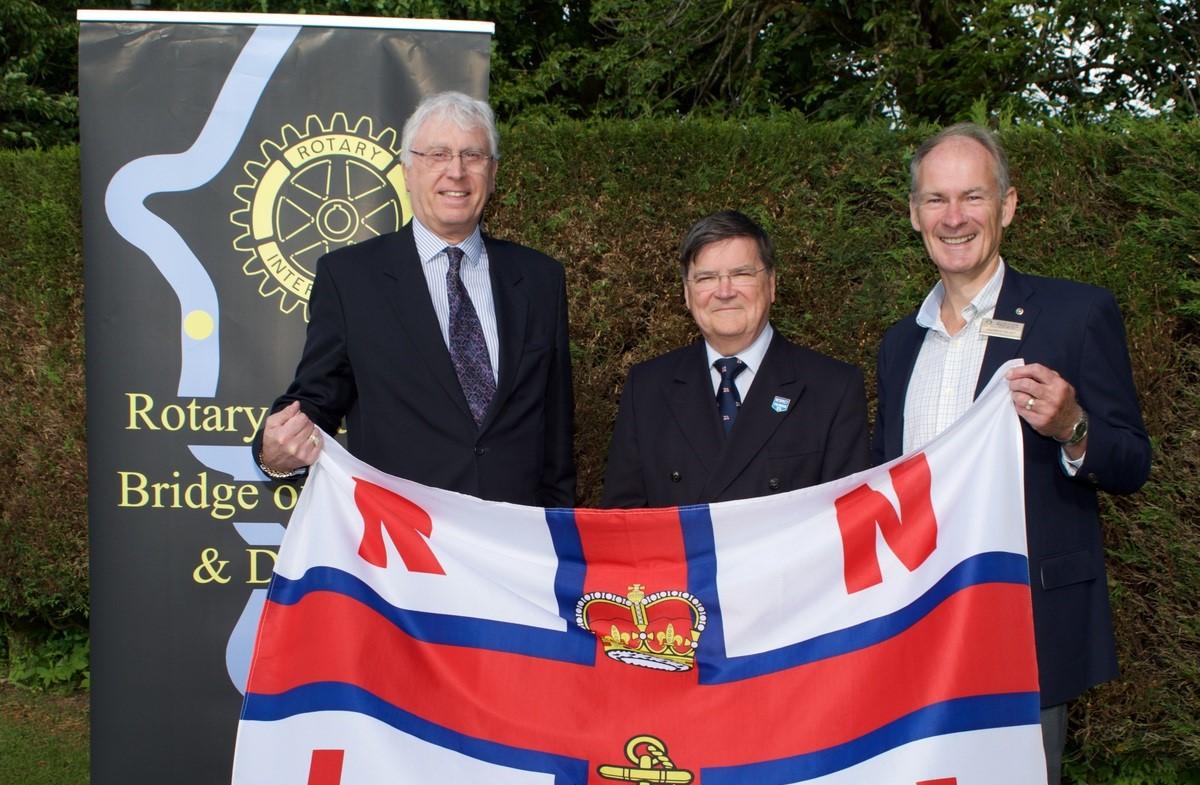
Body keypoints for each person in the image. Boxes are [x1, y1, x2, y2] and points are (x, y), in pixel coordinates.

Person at [872, 123, 1151, 783]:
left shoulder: (1075, 315)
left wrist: (1073, 426)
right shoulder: (897, 345)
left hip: (1022, 627)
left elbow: (1133, 461)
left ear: (1008, 205)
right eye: (936, 200)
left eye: (973, 196)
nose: (954, 217)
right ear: (914, 214)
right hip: (915, 627)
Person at [253, 91, 575, 507]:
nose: (456, 172)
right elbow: (317, 398)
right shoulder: (351, 279)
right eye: (438, 155)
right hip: (402, 548)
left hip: (514, 545)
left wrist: (559, 534)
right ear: (407, 171)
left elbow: (557, 434)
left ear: (493, 173)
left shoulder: (539, 279)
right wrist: (275, 454)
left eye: (472, 156)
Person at [602, 210, 869, 507]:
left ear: (771, 285)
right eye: (706, 278)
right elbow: (623, 523)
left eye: (741, 274)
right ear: (687, 294)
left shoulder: (832, 388)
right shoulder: (647, 387)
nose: (724, 292)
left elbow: (847, 525)